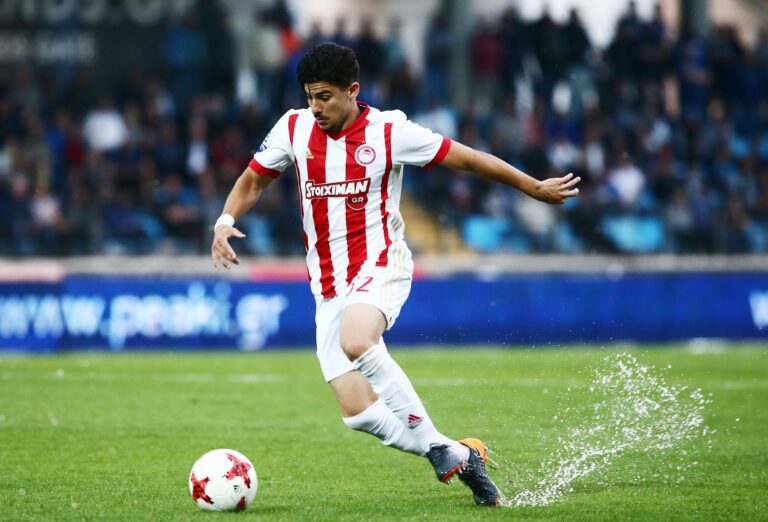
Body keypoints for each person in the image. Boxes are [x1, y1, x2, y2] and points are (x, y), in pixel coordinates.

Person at [211, 43, 580, 507]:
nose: (316, 107)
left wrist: (533, 186)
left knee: (357, 339)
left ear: (352, 90)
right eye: (309, 97)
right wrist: (224, 222)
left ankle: (441, 452)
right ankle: (456, 453)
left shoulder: (390, 132)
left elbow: (467, 158)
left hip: (381, 263)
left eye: (324, 96)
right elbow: (253, 180)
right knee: (358, 415)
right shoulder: (293, 127)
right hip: (328, 286)